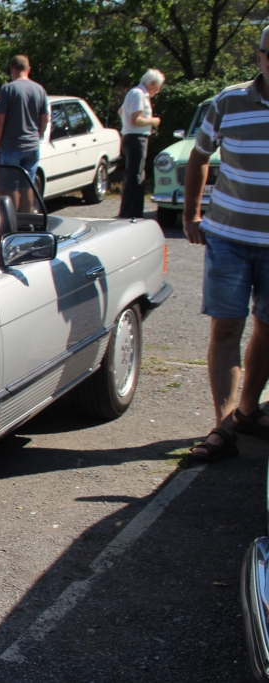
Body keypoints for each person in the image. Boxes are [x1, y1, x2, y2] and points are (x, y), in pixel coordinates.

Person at [183, 26, 269, 461]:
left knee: (268, 327)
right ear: (260, 57)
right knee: (226, 327)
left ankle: (248, 410)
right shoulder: (229, 102)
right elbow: (199, 155)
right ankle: (223, 426)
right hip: (229, 237)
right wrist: (191, 214)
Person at [0, 55, 49, 212]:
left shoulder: (8, 89)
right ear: (28, 69)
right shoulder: (39, 89)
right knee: (27, 185)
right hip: (32, 146)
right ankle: (27, 220)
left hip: (10, 145)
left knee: (9, 187)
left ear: (12, 69)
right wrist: (37, 136)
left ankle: (12, 221)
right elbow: (45, 119)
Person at [118, 69, 165, 219]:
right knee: (135, 177)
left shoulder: (135, 93)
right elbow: (135, 120)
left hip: (132, 136)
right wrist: (153, 121)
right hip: (136, 138)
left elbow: (121, 111)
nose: (158, 91)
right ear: (152, 84)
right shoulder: (138, 94)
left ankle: (134, 212)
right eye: (158, 88)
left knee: (137, 175)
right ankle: (130, 213)